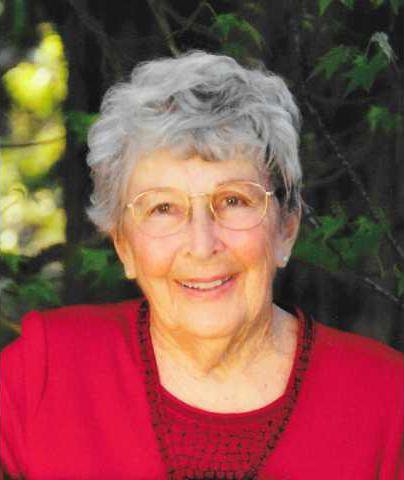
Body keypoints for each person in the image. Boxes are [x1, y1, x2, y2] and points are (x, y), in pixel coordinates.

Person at [1, 51, 403, 480]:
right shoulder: (43, 374)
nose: (201, 244)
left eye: (233, 201)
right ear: (124, 246)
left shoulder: (387, 400)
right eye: (163, 208)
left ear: (286, 227)